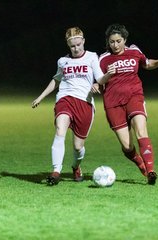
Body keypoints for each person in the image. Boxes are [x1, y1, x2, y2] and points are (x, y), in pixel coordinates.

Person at [32, 27, 113, 186]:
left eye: (78, 44)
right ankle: (56, 171)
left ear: (83, 41)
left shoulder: (91, 57)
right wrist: (40, 97)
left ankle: (76, 166)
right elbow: (56, 80)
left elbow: (100, 79)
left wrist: (103, 79)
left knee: (77, 147)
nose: (76, 48)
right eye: (72, 46)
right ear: (68, 46)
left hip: (84, 103)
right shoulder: (63, 61)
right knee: (59, 130)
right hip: (65, 99)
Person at [99, 23, 158, 185]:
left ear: (125, 40)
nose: (115, 45)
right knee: (127, 145)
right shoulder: (103, 59)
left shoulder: (134, 51)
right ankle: (140, 163)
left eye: (118, 41)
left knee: (141, 130)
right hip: (113, 103)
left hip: (134, 96)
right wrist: (98, 84)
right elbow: (97, 79)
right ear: (108, 42)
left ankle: (151, 170)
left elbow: (146, 63)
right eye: (112, 42)